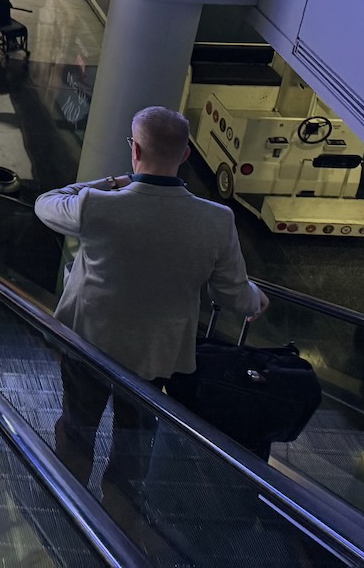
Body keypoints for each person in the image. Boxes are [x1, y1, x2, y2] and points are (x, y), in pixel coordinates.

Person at [34, 106, 267, 495]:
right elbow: (232, 292)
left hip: (89, 342)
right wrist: (256, 301)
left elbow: (47, 201)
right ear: (186, 155)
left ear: (136, 151)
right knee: (136, 434)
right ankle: (122, 509)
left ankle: (70, 499)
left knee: (78, 422)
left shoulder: (98, 205)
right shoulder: (216, 219)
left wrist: (112, 181)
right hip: (157, 353)